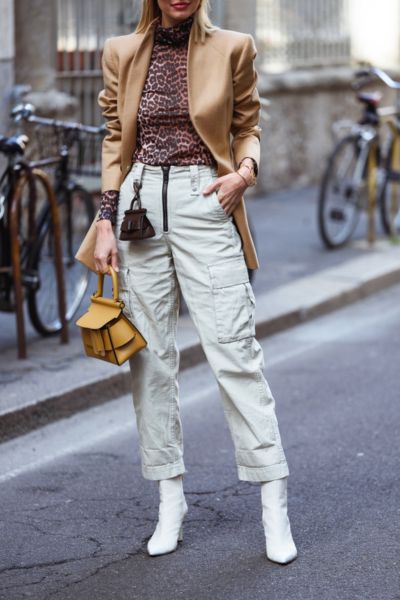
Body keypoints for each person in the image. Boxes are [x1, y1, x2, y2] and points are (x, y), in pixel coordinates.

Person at [93, 0, 297, 564]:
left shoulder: (234, 46)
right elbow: (116, 138)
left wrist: (243, 175)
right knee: (150, 359)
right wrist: (105, 219)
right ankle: (170, 500)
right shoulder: (121, 51)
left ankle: (273, 502)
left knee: (234, 350)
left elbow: (247, 126)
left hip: (205, 201)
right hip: (138, 207)